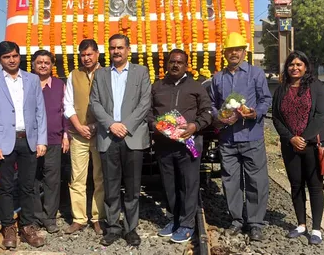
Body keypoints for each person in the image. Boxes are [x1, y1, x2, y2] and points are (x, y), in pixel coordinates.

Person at [0, 41, 47, 248]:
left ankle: (27, 226)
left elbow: (40, 112)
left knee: (28, 187)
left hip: (28, 140)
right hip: (4, 142)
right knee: (6, 188)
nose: (11, 60)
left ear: (19, 56)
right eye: (6, 57)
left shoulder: (32, 79)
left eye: (14, 55)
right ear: (0, 60)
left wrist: (41, 140)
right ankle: (8, 226)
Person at [90, 34, 151, 247]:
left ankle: (130, 228)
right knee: (111, 185)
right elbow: (95, 103)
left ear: (128, 49)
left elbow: (145, 102)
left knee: (133, 187)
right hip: (109, 136)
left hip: (132, 137)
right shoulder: (101, 74)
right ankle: (114, 227)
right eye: (113, 48)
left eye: (120, 48)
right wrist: (111, 124)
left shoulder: (141, 72)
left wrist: (125, 125)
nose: (117, 51)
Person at [209, 32, 271, 241]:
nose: (234, 53)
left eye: (238, 49)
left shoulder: (256, 74)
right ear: (224, 53)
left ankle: (255, 223)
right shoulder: (217, 78)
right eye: (230, 49)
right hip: (228, 139)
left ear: (244, 52)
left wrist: (255, 112)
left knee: (256, 181)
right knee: (231, 182)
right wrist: (218, 115)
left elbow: (265, 100)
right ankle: (236, 220)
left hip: (251, 136)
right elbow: (210, 104)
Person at [148, 49, 212, 243]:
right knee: (169, 184)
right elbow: (149, 112)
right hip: (164, 144)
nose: (175, 65)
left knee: (188, 184)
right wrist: (155, 126)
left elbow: (207, 112)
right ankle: (173, 220)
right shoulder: (157, 86)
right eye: (172, 62)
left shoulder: (196, 86)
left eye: (180, 62)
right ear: (167, 64)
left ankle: (187, 224)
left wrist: (195, 126)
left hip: (188, 143)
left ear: (186, 65)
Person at [271, 51, 324, 245]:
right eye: (291, 65)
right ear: (286, 68)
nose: (294, 68)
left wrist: (303, 138)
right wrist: (290, 138)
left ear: (305, 67)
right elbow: (276, 118)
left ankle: (317, 229)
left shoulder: (317, 87)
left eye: (298, 64)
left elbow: (320, 116)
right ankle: (301, 224)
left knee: (315, 186)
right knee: (296, 185)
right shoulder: (281, 89)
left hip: (312, 144)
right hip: (290, 145)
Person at [63, 39, 104, 235]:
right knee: (77, 178)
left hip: (101, 134)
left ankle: (98, 217)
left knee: (99, 177)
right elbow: (67, 103)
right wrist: (78, 126)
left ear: (97, 54)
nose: (86, 58)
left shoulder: (106, 74)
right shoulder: (74, 75)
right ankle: (79, 218)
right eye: (83, 54)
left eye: (90, 54)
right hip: (78, 134)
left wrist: (96, 125)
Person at [31, 50, 69, 233]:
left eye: (47, 62)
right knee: (32, 179)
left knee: (52, 180)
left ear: (52, 65)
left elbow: (65, 110)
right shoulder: (27, 84)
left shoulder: (60, 84)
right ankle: (36, 216)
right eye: (39, 62)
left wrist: (66, 135)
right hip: (31, 140)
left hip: (53, 138)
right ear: (33, 65)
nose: (43, 65)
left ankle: (50, 217)